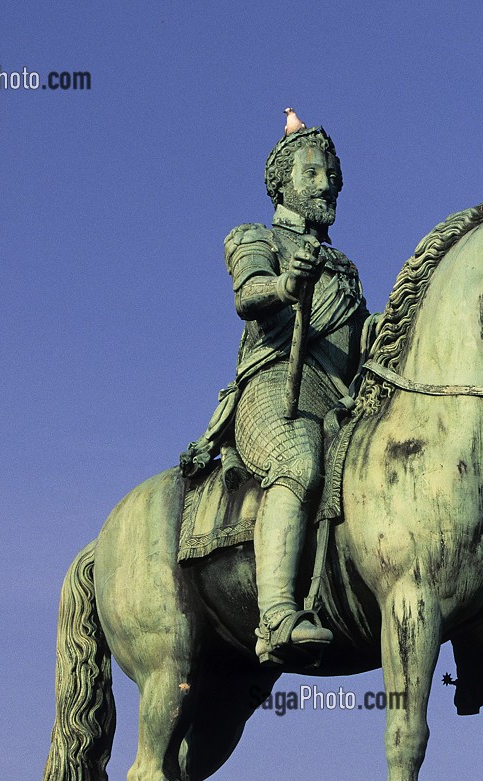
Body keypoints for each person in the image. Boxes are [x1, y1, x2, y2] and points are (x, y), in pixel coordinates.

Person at [180, 121, 372, 665]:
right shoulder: (253, 237)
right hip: (272, 388)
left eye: (332, 175)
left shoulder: (345, 268)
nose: (326, 184)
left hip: (338, 400)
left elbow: (356, 339)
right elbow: (248, 295)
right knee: (298, 461)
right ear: (282, 184)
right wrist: (287, 286)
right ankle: (276, 616)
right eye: (312, 172)